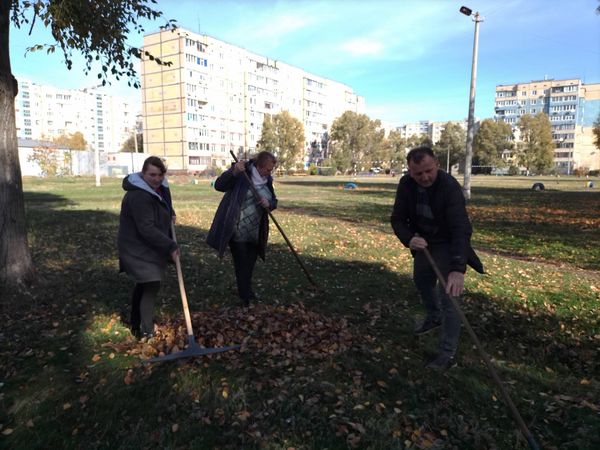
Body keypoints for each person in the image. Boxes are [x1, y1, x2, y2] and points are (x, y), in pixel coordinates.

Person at [391, 146, 484, 371]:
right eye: (418, 174)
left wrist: (457, 268)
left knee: (450, 295)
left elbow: (461, 228)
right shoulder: (406, 184)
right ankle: (434, 316)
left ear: (437, 165)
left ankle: (446, 353)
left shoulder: (450, 188)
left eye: (428, 171)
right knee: (421, 280)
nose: (424, 177)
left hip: (447, 242)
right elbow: (397, 219)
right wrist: (409, 238)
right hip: (423, 240)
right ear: (410, 171)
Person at [118, 156, 179, 338]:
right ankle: (146, 331)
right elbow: (146, 228)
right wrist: (170, 245)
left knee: (144, 285)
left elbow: (164, 202)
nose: (157, 178)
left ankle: (136, 323)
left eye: (160, 174)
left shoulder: (156, 189)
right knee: (151, 284)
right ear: (142, 173)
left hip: (146, 245)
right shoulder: (139, 196)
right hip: (136, 248)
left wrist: (170, 213)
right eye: (152, 174)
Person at [207, 151, 277, 306]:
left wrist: (269, 203)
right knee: (241, 262)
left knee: (250, 263)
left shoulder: (267, 180)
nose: (269, 173)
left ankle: (245, 290)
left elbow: (274, 200)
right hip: (237, 228)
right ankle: (246, 296)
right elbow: (219, 185)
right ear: (258, 166)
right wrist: (234, 172)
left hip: (256, 230)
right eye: (267, 169)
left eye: (271, 170)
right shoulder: (241, 173)